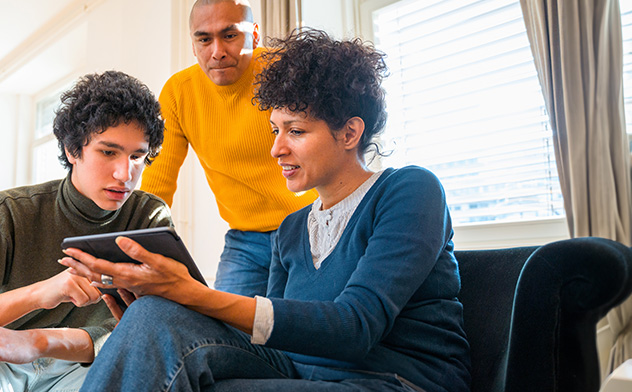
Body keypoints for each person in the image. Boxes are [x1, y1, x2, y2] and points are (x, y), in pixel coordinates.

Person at [62, 29, 472, 392]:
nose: (276, 148)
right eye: (275, 130)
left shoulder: (409, 190)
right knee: (154, 316)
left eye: (295, 131)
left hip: (394, 382)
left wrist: (195, 295)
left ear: (350, 132)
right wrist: (166, 310)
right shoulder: (292, 229)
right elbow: (272, 336)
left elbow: (355, 327)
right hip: (300, 376)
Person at [0, 71, 173, 391]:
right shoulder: (7, 213)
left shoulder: (148, 217)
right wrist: (40, 294)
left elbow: (155, 325)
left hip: (83, 366)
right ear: (72, 150)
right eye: (108, 152)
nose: (125, 173)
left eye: (137, 156)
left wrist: (38, 341)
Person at [140, 0, 317, 297]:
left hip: (310, 224)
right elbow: (158, 181)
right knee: (226, 337)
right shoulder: (179, 93)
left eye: (230, 35)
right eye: (204, 39)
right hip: (245, 239)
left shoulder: (285, 71)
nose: (217, 51)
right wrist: (138, 246)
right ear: (193, 45)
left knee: (302, 331)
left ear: (255, 35)